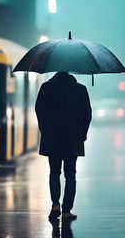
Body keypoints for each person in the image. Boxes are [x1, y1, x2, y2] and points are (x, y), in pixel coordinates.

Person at [35, 72, 92, 220]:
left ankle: (55, 205)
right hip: (73, 138)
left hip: (52, 138)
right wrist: (83, 133)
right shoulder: (80, 89)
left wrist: (44, 130)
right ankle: (67, 210)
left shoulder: (46, 87)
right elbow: (87, 114)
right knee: (70, 175)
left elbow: (39, 110)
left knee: (54, 172)